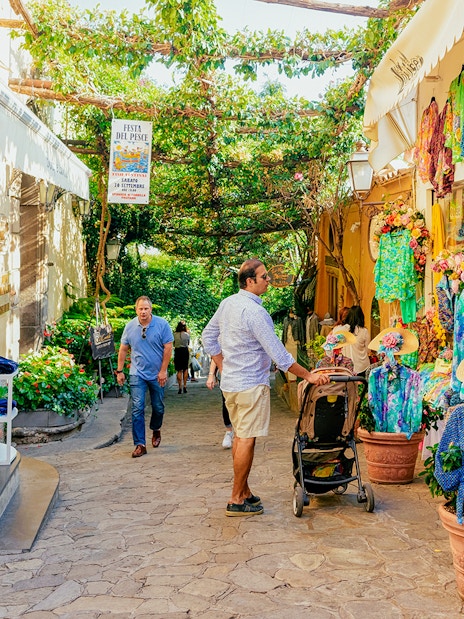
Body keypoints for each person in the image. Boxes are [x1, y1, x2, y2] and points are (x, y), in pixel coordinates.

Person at [202, 258, 330, 517]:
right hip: (250, 385)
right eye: (264, 277)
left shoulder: (228, 304)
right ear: (250, 282)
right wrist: (309, 376)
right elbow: (280, 356)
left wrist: (222, 365)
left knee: (240, 436)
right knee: (246, 439)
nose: (269, 280)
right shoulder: (255, 313)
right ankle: (236, 498)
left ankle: (245, 491)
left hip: (232, 385)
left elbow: (207, 336)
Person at [116, 296, 173, 458]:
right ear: (136, 310)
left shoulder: (162, 325)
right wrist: (120, 371)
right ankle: (140, 444)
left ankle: (156, 429)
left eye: (146, 308)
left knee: (158, 407)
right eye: (140, 309)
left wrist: (163, 371)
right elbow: (123, 349)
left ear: (151, 309)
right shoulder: (130, 327)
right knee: (137, 407)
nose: (143, 312)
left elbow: (168, 348)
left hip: (157, 374)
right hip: (137, 373)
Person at [206, 359, 234, 449]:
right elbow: (216, 353)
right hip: (225, 375)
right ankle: (229, 431)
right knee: (226, 402)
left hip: (244, 375)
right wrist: (211, 375)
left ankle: (241, 433)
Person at [345, 305, 371, 376]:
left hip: (346, 367)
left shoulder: (343, 330)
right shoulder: (364, 331)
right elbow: (368, 350)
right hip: (362, 366)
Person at [173, 321, 190, 394]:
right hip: (185, 351)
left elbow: (173, 344)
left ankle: (180, 386)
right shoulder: (187, 335)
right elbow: (188, 343)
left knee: (179, 370)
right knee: (185, 369)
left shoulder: (174, 335)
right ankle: (185, 385)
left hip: (177, 351)